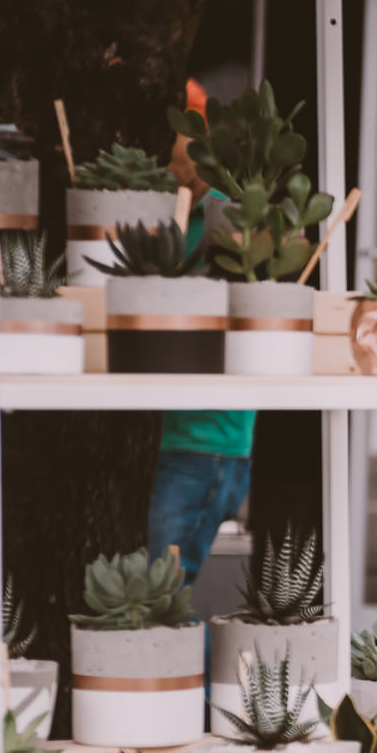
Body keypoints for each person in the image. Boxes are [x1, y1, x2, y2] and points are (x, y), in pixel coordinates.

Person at [148, 79, 250, 585]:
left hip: (205, 444)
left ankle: (195, 670)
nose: (163, 160)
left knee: (162, 595)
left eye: (170, 142)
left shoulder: (227, 218)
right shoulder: (168, 216)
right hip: (177, 440)